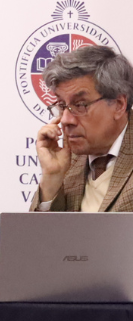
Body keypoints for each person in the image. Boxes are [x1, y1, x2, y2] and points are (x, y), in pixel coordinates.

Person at [31, 45, 133, 213]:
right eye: (62, 105)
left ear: (119, 105)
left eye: (80, 105)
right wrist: (52, 178)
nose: (65, 120)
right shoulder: (67, 158)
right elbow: (36, 231)